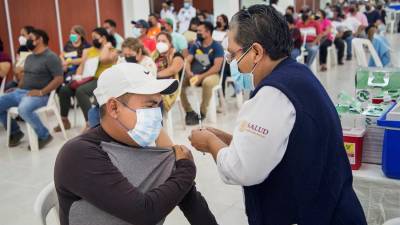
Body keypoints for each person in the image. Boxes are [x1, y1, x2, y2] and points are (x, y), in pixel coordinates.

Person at [189, 5, 367, 225]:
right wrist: (222, 138)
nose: (232, 63)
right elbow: (272, 146)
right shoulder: (296, 73)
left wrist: (209, 143)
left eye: (233, 54)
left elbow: (241, 169)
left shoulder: (273, 94)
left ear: (255, 52)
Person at [55, 63, 218, 225]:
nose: (156, 115)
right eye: (150, 105)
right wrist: (186, 168)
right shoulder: (79, 154)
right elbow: (144, 213)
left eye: (158, 105)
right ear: (113, 108)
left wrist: (178, 163)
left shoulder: (149, 149)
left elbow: (193, 204)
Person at [0, 29, 63, 149]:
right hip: (22, 92)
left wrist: (41, 92)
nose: (27, 41)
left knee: (23, 109)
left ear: (40, 40)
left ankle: (44, 135)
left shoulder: (51, 57)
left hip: (40, 95)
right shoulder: (30, 58)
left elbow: (59, 79)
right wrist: (17, 88)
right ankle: (15, 132)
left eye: (30, 38)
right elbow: (25, 77)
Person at [55, 27, 118, 132]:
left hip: (102, 80)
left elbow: (103, 59)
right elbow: (82, 66)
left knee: (81, 91)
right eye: (92, 37)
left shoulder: (112, 51)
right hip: (88, 78)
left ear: (103, 37)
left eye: (95, 37)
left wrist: (106, 47)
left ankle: (91, 123)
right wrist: (78, 76)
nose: (93, 40)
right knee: (64, 90)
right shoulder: (88, 51)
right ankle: (65, 120)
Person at [181, 21, 224, 125]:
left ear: (208, 32)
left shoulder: (217, 46)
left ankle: (202, 112)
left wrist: (201, 77)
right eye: (197, 31)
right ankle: (189, 111)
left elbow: (216, 68)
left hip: (211, 75)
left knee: (207, 83)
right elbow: (187, 60)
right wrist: (189, 71)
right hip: (196, 75)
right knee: (179, 83)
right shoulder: (196, 45)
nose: (197, 33)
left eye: (200, 31)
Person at [153, 32, 184, 113]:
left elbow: (173, 70)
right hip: (155, 83)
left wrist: (154, 75)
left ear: (170, 43)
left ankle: (157, 122)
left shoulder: (176, 55)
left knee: (155, 97)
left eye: (164, 41)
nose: (160, 43)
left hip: (170, 85)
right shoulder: (154, 55)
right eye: (158, 41)